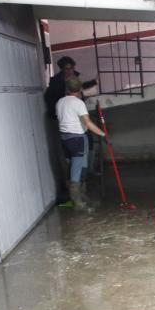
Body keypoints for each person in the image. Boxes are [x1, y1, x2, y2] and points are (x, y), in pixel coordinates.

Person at [56, 76, 105, 210]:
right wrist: (102, 134)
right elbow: (87, 123)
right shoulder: (78, 103)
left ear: (67, 88)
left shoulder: (60, 102)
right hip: (77, 139)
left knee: (75, 167)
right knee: (77, 170)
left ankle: (82, 197)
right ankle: (78, 204)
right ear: (79, 89)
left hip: (64, 139)